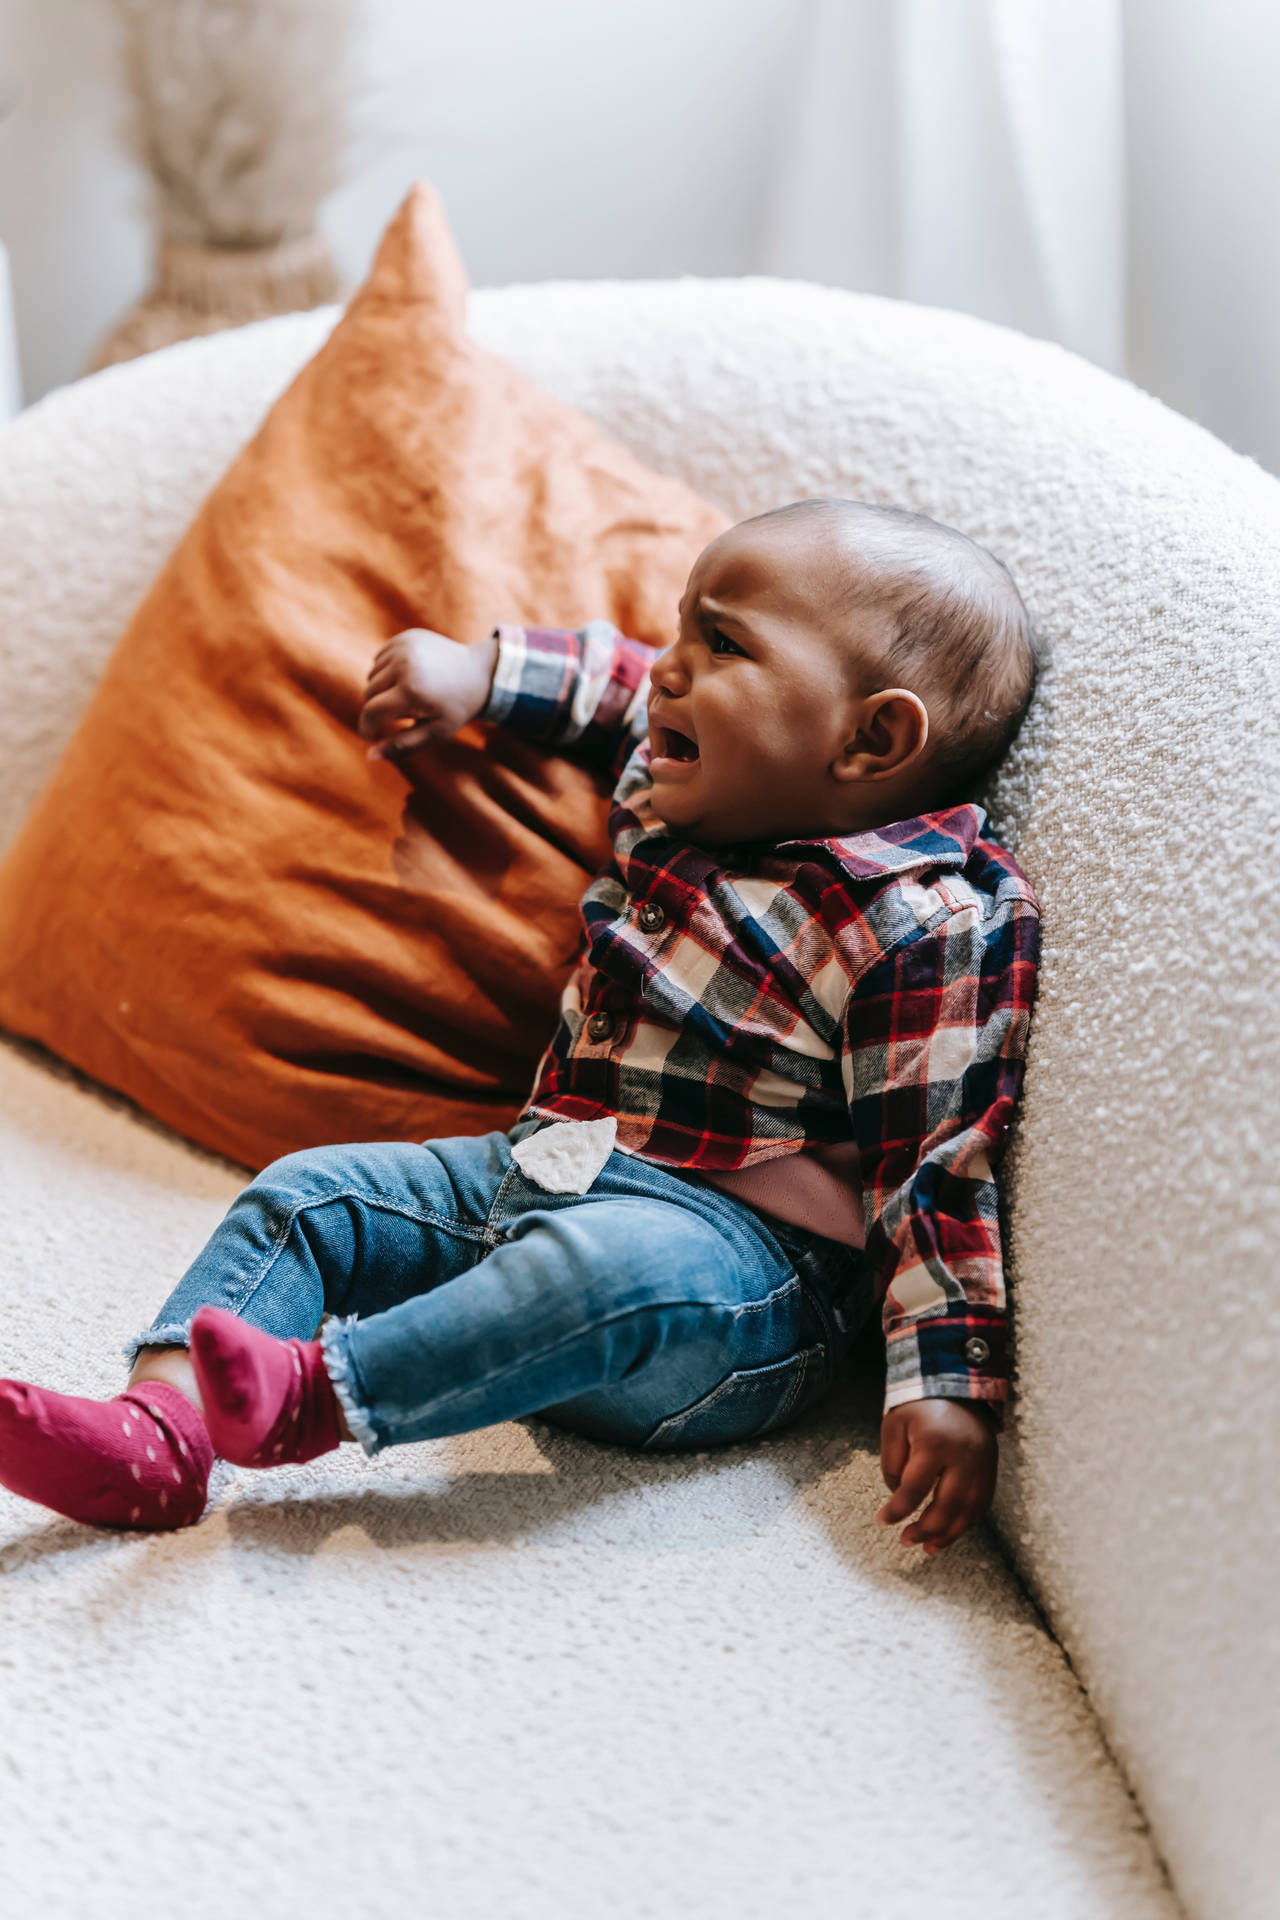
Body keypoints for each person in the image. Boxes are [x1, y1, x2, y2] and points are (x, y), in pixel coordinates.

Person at [0, 497, 1041, 1556]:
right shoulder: (689, 776)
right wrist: (477, 674)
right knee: (307, 1196)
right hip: (537, 1166)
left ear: (871, 738)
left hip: (732, 1270)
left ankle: (316, 1398)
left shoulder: (920, 920)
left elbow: (935, 1164)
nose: (671, 664)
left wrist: (943, 1378)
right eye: (686, 626)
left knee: (613, 1269)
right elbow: (616, 677)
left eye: (720, 642)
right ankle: (160, 1434)